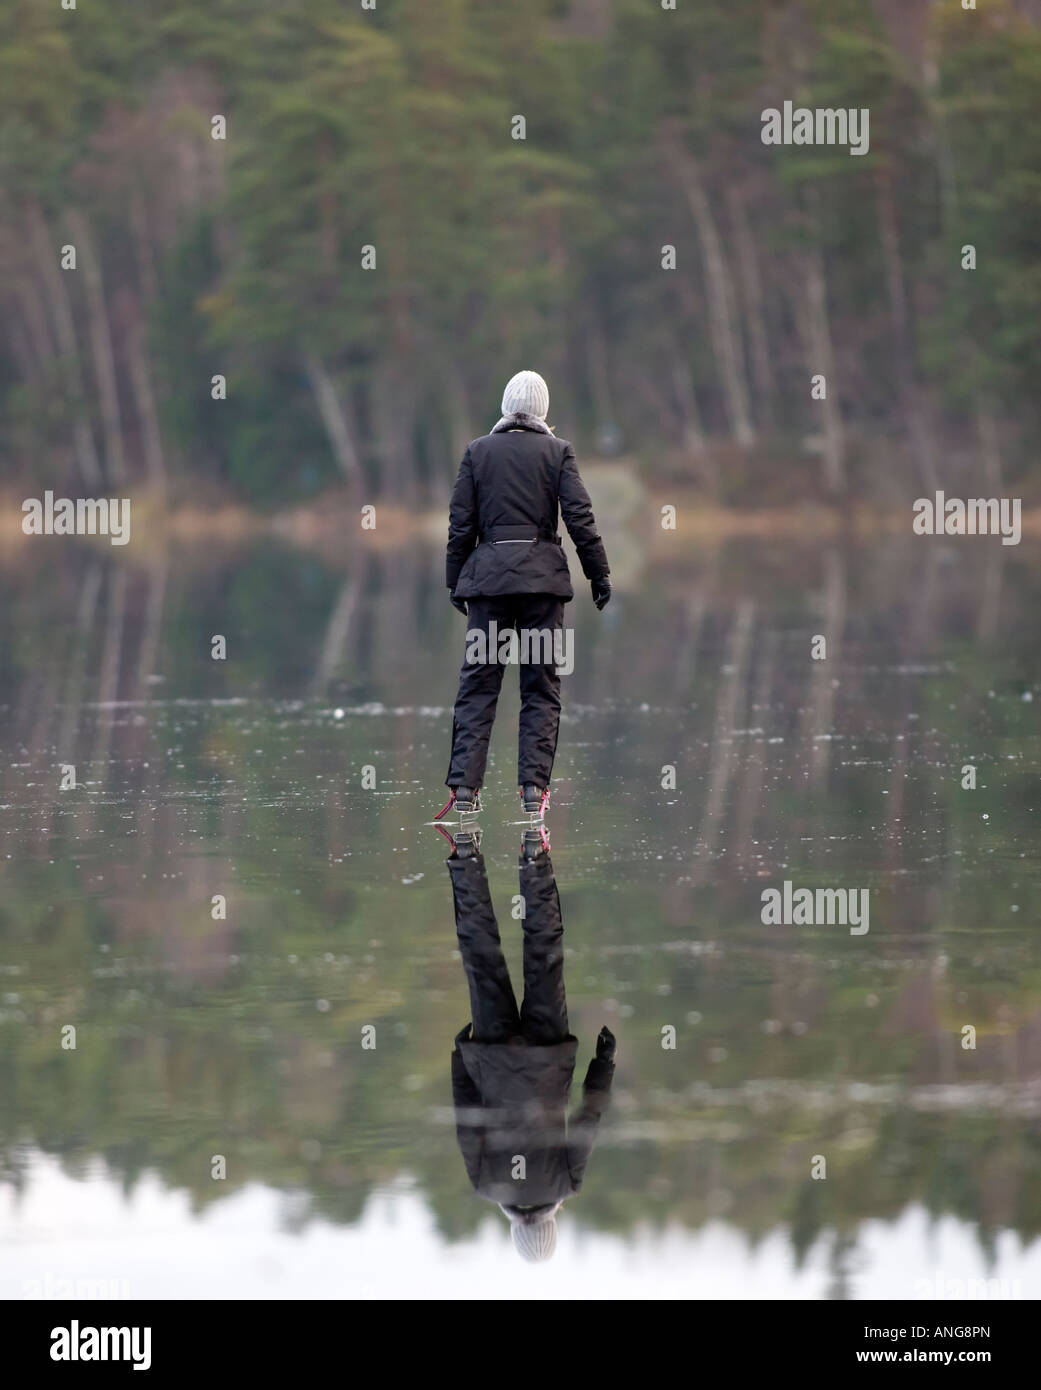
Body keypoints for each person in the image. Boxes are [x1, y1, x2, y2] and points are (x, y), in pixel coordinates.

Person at [436, 371, 611, 820]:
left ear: (504, 406)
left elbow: (460, 526)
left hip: (488, 590)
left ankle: (464, 792)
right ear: (543, 411)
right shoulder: (558, 453)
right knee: (541, 689)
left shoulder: (477, 452)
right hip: (542, 590)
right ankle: (533, 793)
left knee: (478, 688)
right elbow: (579, 518)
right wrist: (599, 576)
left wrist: (456, 581)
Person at [442, 825, 616, 1263]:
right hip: (493, 1055)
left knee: (544, 953)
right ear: (516, 1232)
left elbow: (589, 1117)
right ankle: (465, 856)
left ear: (551, 1227)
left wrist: (604, 1062)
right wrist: (460, 1060)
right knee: (480, 956)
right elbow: (467, 1123)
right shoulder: (486, 1185)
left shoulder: (565, 1185)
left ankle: (534, 853)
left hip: (547, 1054)